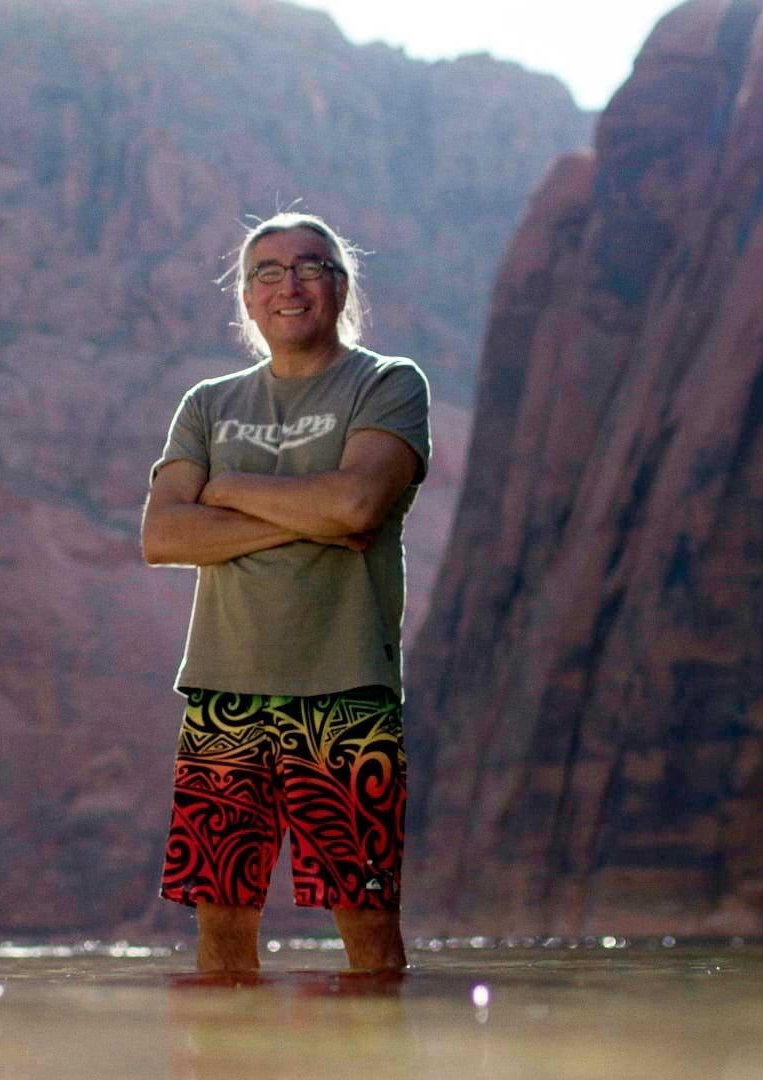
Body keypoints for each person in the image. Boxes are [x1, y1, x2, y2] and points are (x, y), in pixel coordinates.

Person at [141, 211, 430, 974]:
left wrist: (228, 488)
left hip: (346, 692)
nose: (288, 285)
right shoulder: (207, 404)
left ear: (341, 286)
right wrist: (313, 516)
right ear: (246, 296)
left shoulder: (388, 384)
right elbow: (164, 536)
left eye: (309, 267)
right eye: (266, 272)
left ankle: (376, 1042)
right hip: (223, 698)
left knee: (369, 935)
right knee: (221, 938)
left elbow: (357, 506)